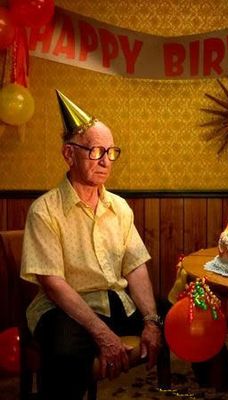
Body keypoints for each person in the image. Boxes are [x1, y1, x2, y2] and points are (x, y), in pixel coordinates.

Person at [20, 91, 162, 400]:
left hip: (114, 301)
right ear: (68, 154)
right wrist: (103, 334)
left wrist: (151, 319)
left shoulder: (120, 207)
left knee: (186, 315)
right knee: (65, 357)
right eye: (96, 150)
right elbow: (53, 284)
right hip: (63, 309)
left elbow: (135, 264)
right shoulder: (44, 210)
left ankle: (224, 388)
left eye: (111, 152)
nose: (105, 161)